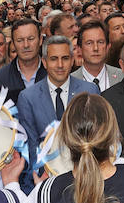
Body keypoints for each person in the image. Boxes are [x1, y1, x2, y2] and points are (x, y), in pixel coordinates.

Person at [17, 37, 98, 182]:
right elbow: (31, 145)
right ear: (44, 62)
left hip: (86, 176)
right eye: (54, 59)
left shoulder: (89, 91)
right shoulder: (28, 97)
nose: (60, 65)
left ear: (72, 60)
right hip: (46, 178)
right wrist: (44, 176)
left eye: (65, 58)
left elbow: (96, 137)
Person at [71, 21, 122, 90]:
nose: (95, 48)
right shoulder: (70, 82)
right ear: (79, 49)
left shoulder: (122, 77)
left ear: (108, 46)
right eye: (89, 43)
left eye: (100, 42)